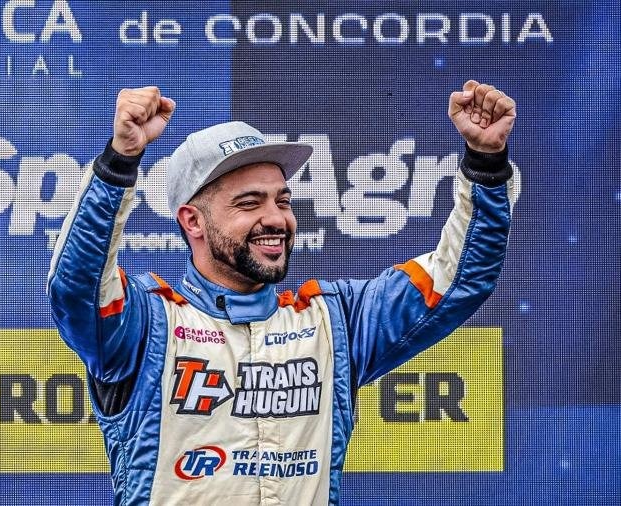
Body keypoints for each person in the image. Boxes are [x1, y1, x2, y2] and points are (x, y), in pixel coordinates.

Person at [47, 81, 517, 505]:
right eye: (249, 203)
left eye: (283, 200)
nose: (276, 218)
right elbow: (77, 287)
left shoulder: (336, 322)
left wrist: (485, 162)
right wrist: (119, 162)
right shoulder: (145, 325)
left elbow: (456, 279)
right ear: (193, 221)